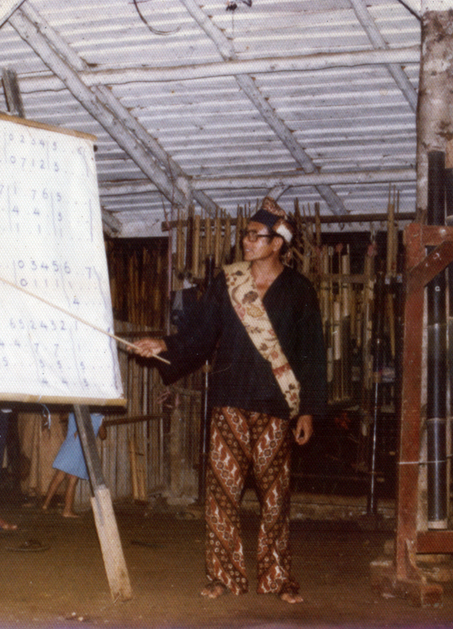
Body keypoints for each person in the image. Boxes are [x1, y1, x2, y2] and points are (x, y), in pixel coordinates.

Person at [132, 197, 326, 605]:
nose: (246, 242)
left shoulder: (299, 291)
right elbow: (201, 335)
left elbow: (312, 354)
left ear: (277, 244)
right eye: (246, 234)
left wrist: (307, 409)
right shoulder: (227, 283)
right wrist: (163, 344)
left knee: (275, 499)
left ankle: (277, 577)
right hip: (228, 403)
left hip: (275, 408)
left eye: (256, 236)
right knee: (221, 494)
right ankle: (222, 575)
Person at [41, 411, 105, 517]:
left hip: (69, 448)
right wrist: (100, 423)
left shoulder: (76, 412)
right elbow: (103, 436)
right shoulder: (96, 417)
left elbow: (62, 417)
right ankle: (67, 510)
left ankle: (45, 504)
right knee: (72, 481)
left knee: (59, 477)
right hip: (79, 452)